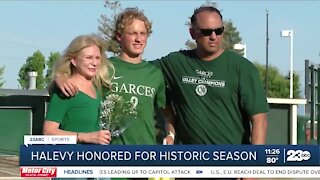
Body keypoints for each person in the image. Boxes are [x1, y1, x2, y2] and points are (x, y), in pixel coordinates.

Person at [158, 5, 268, 180]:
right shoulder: (176, 62)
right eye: (206, 31)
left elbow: (259, 119)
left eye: (219, 30)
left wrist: (253, 166)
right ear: (192, 33)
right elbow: (142, 74)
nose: (213, 36)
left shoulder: (242, 68)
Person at [54, 8, 166, 146]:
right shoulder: (104, 67)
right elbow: (76, 77)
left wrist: (170, 136)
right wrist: (60, 77)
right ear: (119, 36)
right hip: (110, 153)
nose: (139, 39)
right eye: (133, 33)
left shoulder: (155, 73)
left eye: (143, 33)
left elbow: (165, 111)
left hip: (145, 153)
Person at [43, 34, 113, 145]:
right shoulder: (66, 90)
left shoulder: (99, 88)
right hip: (73, 158)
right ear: (74, 61)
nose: (94, 63)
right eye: (89, 58)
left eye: (97, 58)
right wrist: (85, 137)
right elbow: (48, 132)